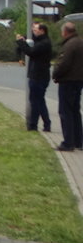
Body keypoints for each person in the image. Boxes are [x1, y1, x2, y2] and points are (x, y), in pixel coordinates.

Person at [52, 21, 83, 151]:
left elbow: (64, 64)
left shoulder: (69, 45)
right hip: (79, 80)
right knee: (75, 111)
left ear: (65, 32)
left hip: (68, 81)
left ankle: (68, 142)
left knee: (66, 112)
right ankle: (78, 141)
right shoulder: (80, 42)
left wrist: (55, 74)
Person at [16, 22, 52, 133]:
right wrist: (23, 40)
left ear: (42, 31)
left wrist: (21, 42)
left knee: (35, 101)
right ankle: (46, 123)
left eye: (35, 30)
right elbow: (30, 44)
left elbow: (31, 51)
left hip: (39, 75)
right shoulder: (39, 41)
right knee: (39, 100)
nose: (33, 32)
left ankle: (33, 125)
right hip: (37, 74)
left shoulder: (44, 43)